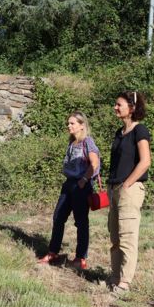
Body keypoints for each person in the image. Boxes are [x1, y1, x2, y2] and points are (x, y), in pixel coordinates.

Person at [37, 111, 100, 270]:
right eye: (68, 123)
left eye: (72, 123)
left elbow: (95, 163)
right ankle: (53, 252)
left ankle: (80, 258)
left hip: (81, 186)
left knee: (80, 222)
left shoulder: (88, 142)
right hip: (69, 184)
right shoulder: (72, 142)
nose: (69, 125)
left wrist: (83, 181)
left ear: (82, 126)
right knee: (58, 217)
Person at [106, 91, 151, 295]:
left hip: (130, 190)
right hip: (114, 189)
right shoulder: (118, 132)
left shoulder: (140, 130)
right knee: (115, 237)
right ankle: (114, 278)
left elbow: (145, 162)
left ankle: (125, 282)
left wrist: (127, 184)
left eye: (119, 104)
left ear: (131, 108)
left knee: (127, 237)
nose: (115, 107)